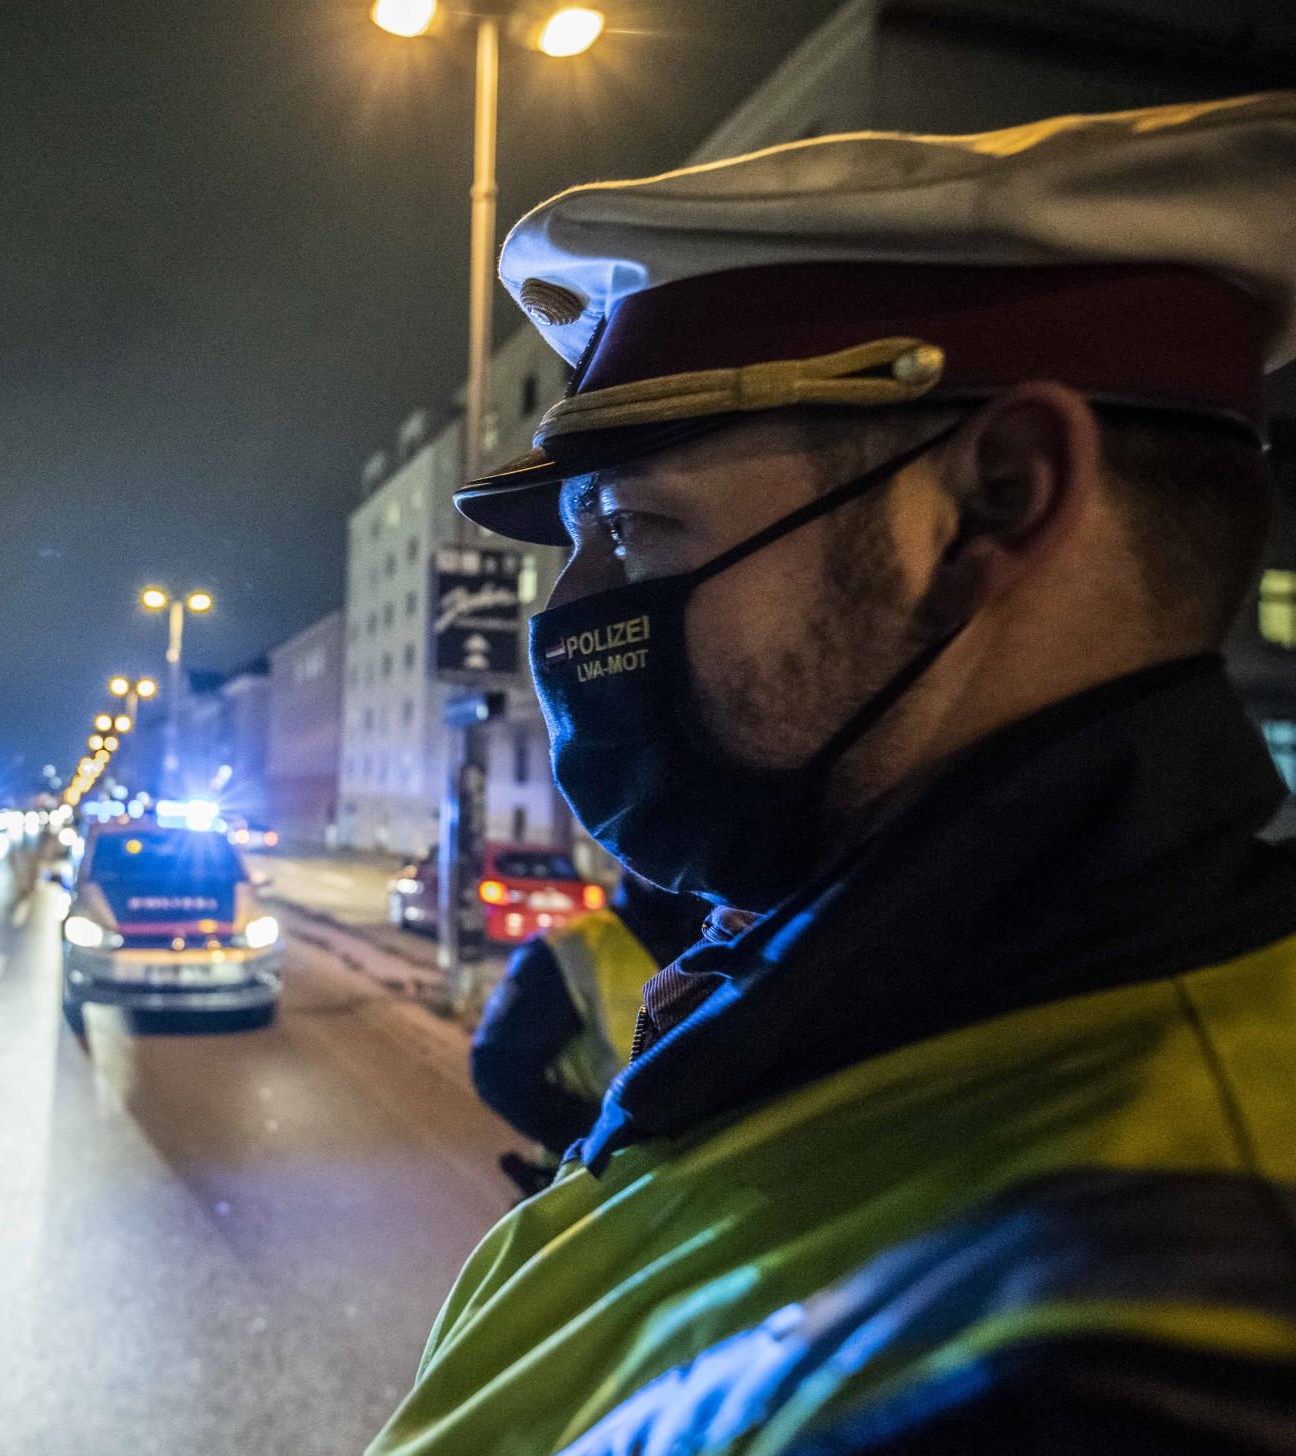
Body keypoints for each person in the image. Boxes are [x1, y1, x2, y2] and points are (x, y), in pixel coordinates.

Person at [367, 95, 1296, 1456]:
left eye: (636, 526)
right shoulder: (868, 1005)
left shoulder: (1120, 1353)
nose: (571, 611)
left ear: (995, 499)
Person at [471, 876, 707, 1172]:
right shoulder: (568, 950)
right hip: (596, 1195)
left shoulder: (742, 944)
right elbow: (497, 1068)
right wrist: (609, 1141)